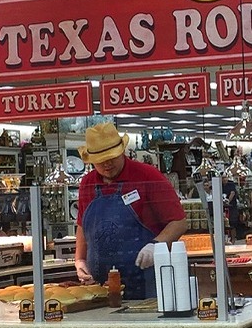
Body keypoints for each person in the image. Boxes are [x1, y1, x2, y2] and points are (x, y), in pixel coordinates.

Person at [74, 123, 187, 300]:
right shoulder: (87, 183)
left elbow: (179, 223)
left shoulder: (148, 176)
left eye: (111, 157)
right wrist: (79, 259)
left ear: (122, 151)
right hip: (100, 290)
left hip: (146, 285)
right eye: (101, 160)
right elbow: (82, 224)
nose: (107, 163)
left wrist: (155, 246)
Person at [222, 178, 238, 243]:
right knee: (223, 223)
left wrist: (228, 201)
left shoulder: (231, 184)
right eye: (223, 178)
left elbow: (232, 193)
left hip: (232, 206)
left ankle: (233, 239)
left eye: (225, 178)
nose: (224, 179)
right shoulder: (219, 184)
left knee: (232, 222)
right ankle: (224, 239)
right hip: (222, 207)